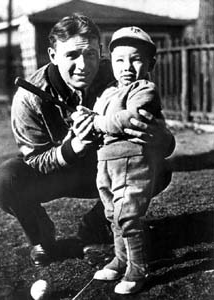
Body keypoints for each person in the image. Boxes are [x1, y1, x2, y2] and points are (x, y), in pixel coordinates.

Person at [0, 14, 175, 269]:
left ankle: (96, 228)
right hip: (57, 174)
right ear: (53, 55)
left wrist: (162, 140)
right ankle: (42, 237)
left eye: (91, 54)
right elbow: (34, 159)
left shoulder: (121, 72)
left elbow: (158, 128)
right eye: (72, 55)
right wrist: (71, 148)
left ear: (100, 51)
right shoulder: (29, 96)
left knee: (159, 168)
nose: (83, 65)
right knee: (5, 180)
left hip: (106, 166)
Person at [73, 26, 175, 294]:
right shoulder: (108, 91)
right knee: (111, 214)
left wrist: (97, 122)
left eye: (136, 58)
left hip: (133, 161)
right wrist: (84, 117)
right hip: (105, 163)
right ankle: (120, 259)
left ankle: (138, 268)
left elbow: (130, 118)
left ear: (150, 62)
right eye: (119, 60)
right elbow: (96, 116)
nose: (126, 66)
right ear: (112, 62)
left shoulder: (145, 89)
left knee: (127, 216)